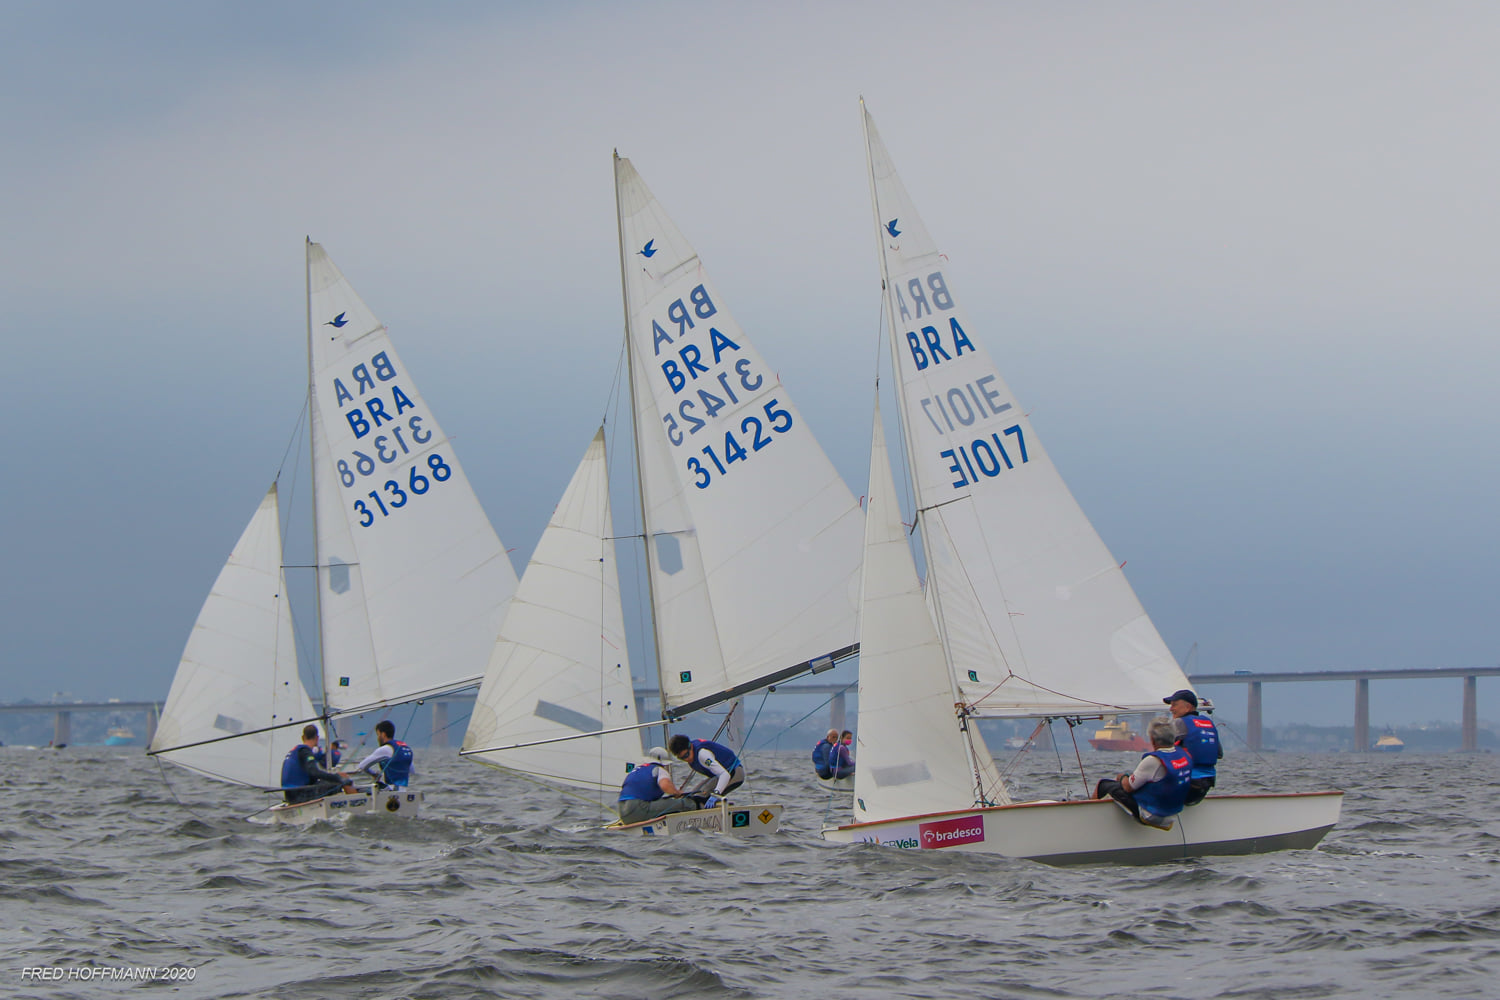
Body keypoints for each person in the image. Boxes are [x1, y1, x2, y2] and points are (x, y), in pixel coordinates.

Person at [1093, 717, 1193, 830]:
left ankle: (1091, 823)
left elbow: (1128, 787)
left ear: (1153, 740)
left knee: (1103, 784)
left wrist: (1123, 777)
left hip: (1152, 816)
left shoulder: (1153, 760)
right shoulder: (1184, 755)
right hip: (1172, 813)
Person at [1164, 688, 1222, 805]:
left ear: (1188, 707)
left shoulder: (1179, 722)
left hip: (1186, 784)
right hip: (1206, 785)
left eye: (1174, 705)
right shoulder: (1208, 723)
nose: (1171, 709)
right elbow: (1219, 754)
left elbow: (1163, 751)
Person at [617, 746, 700, 823]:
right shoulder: (659, 769)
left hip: (623, 813)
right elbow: (665, 785)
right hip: (638, 809)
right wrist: (677, 793)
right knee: (687, 804)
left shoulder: (636, 770)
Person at [281, 724, 355, 803]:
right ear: (317, 738)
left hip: (290, 795)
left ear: (303, 737)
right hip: (300, 796)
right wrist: (338, 778)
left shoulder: (296, 751)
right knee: (343, 779)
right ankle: (357, 803)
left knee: (338, 776)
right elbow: (314, 772)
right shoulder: (305, 752)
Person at [668, 734, 744, 806]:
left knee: (701, 797)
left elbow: (725, 774)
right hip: (718, 776)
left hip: (733, 773)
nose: (687, 759)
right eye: (682, 758)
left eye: (686, 755)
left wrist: (716, 794)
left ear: (690, 746)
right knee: (692, 796)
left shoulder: (703, 755)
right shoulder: (691, 752)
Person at [352, 720, 414, 789]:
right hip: (404, 790)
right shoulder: (405, 748)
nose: (378, 738)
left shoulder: (384, 749)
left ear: (383, 734)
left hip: (390, 790)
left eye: (378, 735)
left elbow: (362, 766)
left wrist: (374, 774)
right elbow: (412, 771)